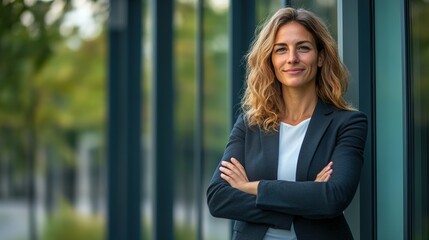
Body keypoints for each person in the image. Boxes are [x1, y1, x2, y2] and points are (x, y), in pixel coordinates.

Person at [206, 7, 368, 240]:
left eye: (303, 47)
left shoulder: (348, 123)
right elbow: (218, 198)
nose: (292, 58)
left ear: (321, 57)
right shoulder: (250, 124)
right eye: (281, 49)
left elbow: (333, 198)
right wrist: (307, 197)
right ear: (270, 60)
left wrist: (254, 187)